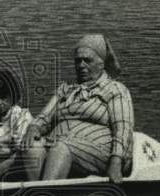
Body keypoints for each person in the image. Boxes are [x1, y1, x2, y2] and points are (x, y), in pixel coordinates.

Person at [21, 34, 134, 184]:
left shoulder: (115, 90)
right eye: (77, 61)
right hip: (59, 145)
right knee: (32, 147)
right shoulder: (66, 90)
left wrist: (116, 161)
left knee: (61, 147)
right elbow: (44, 119)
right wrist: (34, 127)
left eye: (87, 60)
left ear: (101, 63)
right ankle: (34, 194)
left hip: (101, 153)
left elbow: (123, 128)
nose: (81, 65)